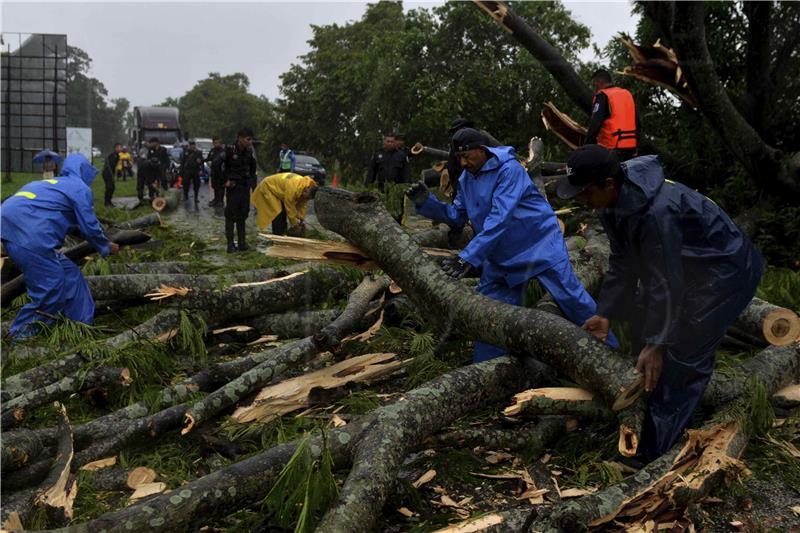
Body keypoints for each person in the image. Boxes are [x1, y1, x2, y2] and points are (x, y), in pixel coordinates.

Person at [557, 144, 765, 460]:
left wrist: (657, 343)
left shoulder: (657, 212)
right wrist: (605, 314)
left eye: (584, 193)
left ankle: (652, 451)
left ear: (608, 184)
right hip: (687, 267)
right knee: (643, 315)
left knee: (684, 348)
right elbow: (623, 262)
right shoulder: (610, 204)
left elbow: (665, 282)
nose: (582, 201)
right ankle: (644, 403)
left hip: (725, 271)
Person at [406, 128, 617, 363]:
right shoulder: (467, 179)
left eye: (467, 156)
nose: (464, 163)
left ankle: (614, 358)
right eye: (459, 158)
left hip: (539, 245)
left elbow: (499, 219)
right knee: (490, 317)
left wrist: (467, 257)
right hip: (502, 257)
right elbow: (456, 215)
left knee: (573, 300)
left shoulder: (509, 169)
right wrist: (428, 203)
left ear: (481, 149)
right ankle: (489, 372)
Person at [1, 153, 120, 338]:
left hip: (10, 230)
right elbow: (90, 226)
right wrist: (105, 246)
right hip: (30, 235)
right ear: (84, 171)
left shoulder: (52, 184)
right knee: (51, 285)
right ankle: (21, 337)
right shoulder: (79, 188)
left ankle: (80, 326)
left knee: (69, 273)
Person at [585, 69, 638, 161]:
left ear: (600, 82)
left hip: (611, 149)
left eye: (594, 85)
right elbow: (637, 123)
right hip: (631, 148)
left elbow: (595, 124)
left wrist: (586, 148)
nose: (595, 89)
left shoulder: (603, 96)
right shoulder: (626, 94)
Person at [219, 127, 258, 253]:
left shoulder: (249, 151)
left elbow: (253, 168)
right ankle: (230, 244)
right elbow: (216, 165)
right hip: (233, 187)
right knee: (231, 215)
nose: (250, 142)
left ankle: (242, 243)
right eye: (248, 139)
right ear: (240, 138)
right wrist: (225, 181)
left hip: (244, 187)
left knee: (243, 215)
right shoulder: (230, 150)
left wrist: (253, 185)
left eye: (251, 139)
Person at [251, 172, 318, 236]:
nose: (305, 198)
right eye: (306, 197)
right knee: (277, 212)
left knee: (283, 211)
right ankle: (277, 234)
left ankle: (283, 231)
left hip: (279, 189)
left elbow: (302, 205)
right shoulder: (293, 188)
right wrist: (295, 224)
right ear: (306, 189)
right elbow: (289, 208)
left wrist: (301, 219)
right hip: (268, 187)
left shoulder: (305, 185)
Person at [181, 141, 204, 205]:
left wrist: (201, 169)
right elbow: (182, 161)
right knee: (186, 184)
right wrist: (181, 171)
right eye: (191, 145)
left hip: (196, 170)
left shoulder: (198, 152)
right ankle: (186, 196)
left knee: (196, 184)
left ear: (195, 145)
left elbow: (202, 162)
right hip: (187, 170)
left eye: (193, 145)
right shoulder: (186, 152)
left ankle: (196, 197)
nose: (192, 146)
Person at [206, 137, 225, 207]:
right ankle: (216, 199)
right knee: (215, 186)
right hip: (214, 172)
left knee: (221, 187)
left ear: (220, 143)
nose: (216, 144)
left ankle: (221, 200)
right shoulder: (212, 151)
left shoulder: (223, 152)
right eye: (214, 143)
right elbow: (208, 159)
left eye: (217, 143)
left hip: (221, 173)